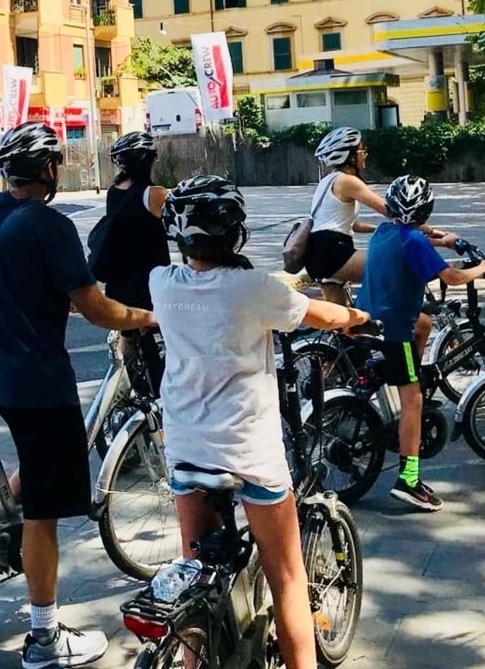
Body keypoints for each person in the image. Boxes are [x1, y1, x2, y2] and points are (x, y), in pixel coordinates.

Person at [151, 175, 370, 669]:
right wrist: (358, 319)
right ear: (235, 233)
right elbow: (322, 315)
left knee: (194, 573)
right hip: (250, 453)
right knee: (288, 578)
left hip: (186, 448)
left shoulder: (161, 283)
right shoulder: (251, 288)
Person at [0, 122, 155, 669]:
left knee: (39, 464)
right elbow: (95, 308)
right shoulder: (49, 225)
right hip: (37, 383)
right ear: (50, 169)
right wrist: (145, 316)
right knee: (45, 513)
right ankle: (45, 638)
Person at [357, 175, 485, 511]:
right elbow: (453, 278)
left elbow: (414, 237)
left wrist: (444, 240)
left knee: (426, 321)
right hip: (393, 331)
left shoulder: (385, 231)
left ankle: (405, 371)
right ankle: (409, 480)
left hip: (367, 318)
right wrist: (482, 267)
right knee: (414, 401)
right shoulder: (414, 241)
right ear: (426, 210)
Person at [305, 127, 458, 303]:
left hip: (319, 253)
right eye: (362, 150)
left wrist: (379, 230)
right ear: (349, 156)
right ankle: (399, 317)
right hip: (332, 253)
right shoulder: (347, 181)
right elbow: (394, 210)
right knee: (395, 264)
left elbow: (352, 225)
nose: (365, 154)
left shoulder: (329, 181)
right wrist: (430, 231)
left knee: (345, 324)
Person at [99, 131, 171, 395]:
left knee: (130, 339)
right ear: (149, 160)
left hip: (119, 282)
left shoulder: (112, 193)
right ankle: (161, 398)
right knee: (169, 339)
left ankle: (138, 394)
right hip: (150, 283)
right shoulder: (155, 194)